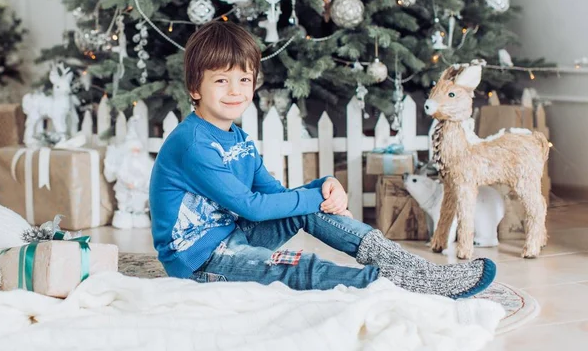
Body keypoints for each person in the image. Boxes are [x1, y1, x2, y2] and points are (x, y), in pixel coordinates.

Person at [149, 21, 496, 297]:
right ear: (195, 88)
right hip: (199, 259)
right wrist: (317, 195)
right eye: (221, 81)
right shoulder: (192, 144)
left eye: (244, 79)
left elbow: (274, 194)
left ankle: (412, 270)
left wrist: (321, 190)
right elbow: (253, 206)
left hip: (234, 235)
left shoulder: (237, 138)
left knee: (309, 207)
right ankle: (392, 286)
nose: (235, 90)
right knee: (295, 266)